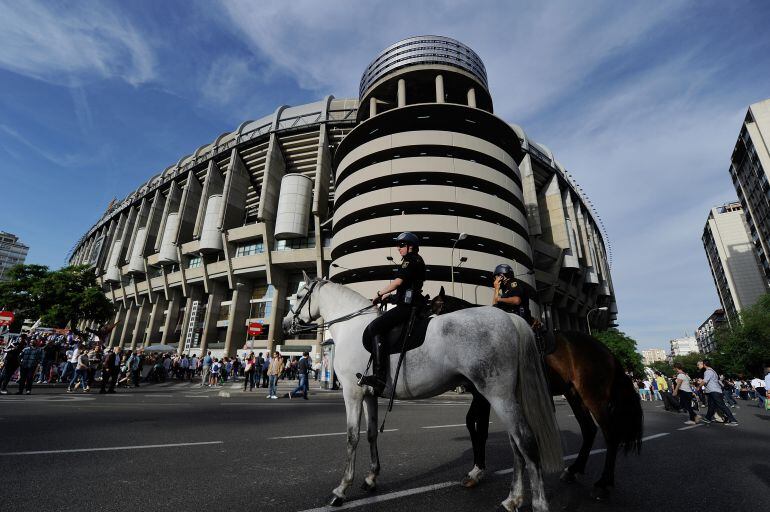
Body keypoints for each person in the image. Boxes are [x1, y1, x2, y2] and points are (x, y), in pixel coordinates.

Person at [359, 232, 426, 394]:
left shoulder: (410, 260)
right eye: (398, 245)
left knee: (375, 327)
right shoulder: (417, 260)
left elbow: (398, 282)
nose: (398, 248)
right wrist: (389, 297)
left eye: (401, 245)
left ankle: (379, 376)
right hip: (410, 303)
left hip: (407, 308)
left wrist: (380, 293)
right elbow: (407, 289)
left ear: (410, 246)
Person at [698, 359, 738, 426]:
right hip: (713, 391)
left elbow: (705, 381)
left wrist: (698, 386)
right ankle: (707, 418)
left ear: (704, 364)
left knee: (722, 406)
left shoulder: (708, 371)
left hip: (714, 391)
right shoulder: (713, 371)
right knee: (711, 406)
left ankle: (733, 420)